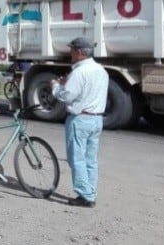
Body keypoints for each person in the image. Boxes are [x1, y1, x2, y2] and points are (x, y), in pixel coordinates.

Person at [51, 37, 109, 208]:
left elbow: (66, 96)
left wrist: (55, 86)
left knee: (76, 159)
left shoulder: (79, 72)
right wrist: (66, 85)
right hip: (97, 118)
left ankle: (85, 196)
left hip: (80, 119)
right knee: (90, 159)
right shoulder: (101, 71)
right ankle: (90, 191)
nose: (70, 53)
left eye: (72, 50)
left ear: (78, 52)